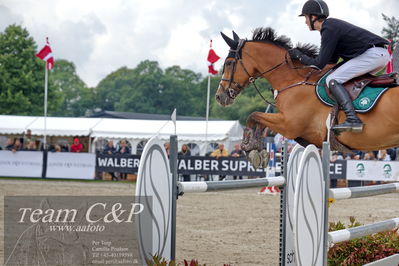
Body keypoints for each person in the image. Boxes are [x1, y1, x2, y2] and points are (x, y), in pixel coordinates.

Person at [289, 0, 390, 133]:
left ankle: (353, 119)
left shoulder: (329, 28)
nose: (305, 22)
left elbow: (319, 64)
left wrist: (300, 56)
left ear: (313, 17)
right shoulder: (331, 27)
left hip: (372, 55)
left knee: (332, 80)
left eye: (306, 17)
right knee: (336, 75)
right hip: (377, 55)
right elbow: (331, 61)